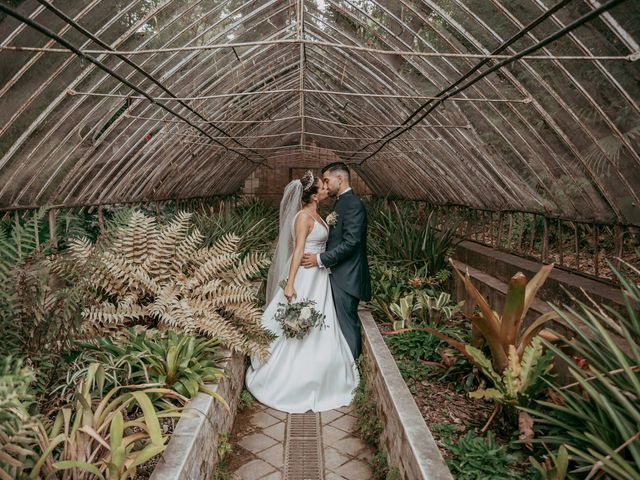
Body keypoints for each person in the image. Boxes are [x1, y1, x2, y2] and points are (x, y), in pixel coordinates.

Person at [245, 170, 359, 413]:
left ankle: (324, 373)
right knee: (298, 320)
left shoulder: (318, 215)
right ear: (315, 196)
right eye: (322, 187)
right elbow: (297, 251)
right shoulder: (302, 218)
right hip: (305, 276)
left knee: (320, 324)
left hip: (319, 277)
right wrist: (290, 283)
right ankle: (289, 379)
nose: (326, 189)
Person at [301, 162, 371, 360]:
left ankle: (351, 367)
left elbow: (351, 243)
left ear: (339, 179)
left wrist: (320, 258)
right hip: (338, 274)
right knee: (338, 324)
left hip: (347, 277)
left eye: (327, 180)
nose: (325, 185)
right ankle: (342, 364)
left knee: (347, 325)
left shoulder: (353, 204)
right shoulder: (341, 202)